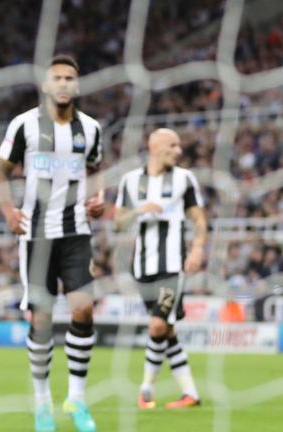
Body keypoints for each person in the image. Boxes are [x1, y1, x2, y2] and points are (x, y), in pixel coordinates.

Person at [0, 54, 103, 432]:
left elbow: (96, 168)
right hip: (36, 235)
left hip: (76, 233)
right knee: (40, 320)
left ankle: (78, 399)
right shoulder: (25, 125)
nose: (64, 83)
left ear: (77, 85)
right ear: (45, 85)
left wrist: (98, 198)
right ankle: (42, 404)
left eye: (70, 77)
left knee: (84, 311)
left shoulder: (90, 128)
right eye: (57, 77)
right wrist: (8, 211)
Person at [114, 128, 206, 409]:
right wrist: (138, 211)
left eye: (179, 145)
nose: (179, 150)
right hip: (142, 268)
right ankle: (191, 394)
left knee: (156, 326)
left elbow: (199, 219)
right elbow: (118, 222)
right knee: (166, 329)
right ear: (155, 146)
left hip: (172, 266)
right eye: (173, 145)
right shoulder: (131, 181)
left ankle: (145, 391)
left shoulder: (184, 178)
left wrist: (197, 249)